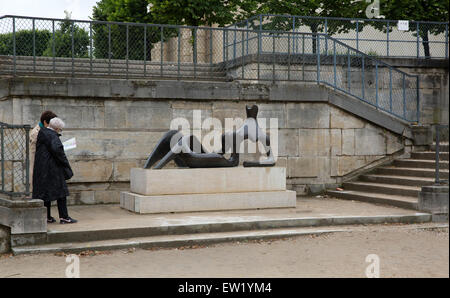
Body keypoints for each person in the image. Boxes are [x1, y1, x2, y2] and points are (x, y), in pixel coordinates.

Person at [32, 117, 77, 224]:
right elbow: (58, 152)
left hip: (42, 168)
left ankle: (47, 217)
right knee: (61, 192)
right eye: (60, 130)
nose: (59, 131)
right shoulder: (52, 136)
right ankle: (64, 217)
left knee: (46, 193)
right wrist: (66, 164)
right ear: (56, 128)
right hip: (53, 168)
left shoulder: (43, 133)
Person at [29, 111, 58, 194]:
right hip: (38, 163)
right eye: (51, 124)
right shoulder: (36, 132)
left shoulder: (44, 130)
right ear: (45, 122)